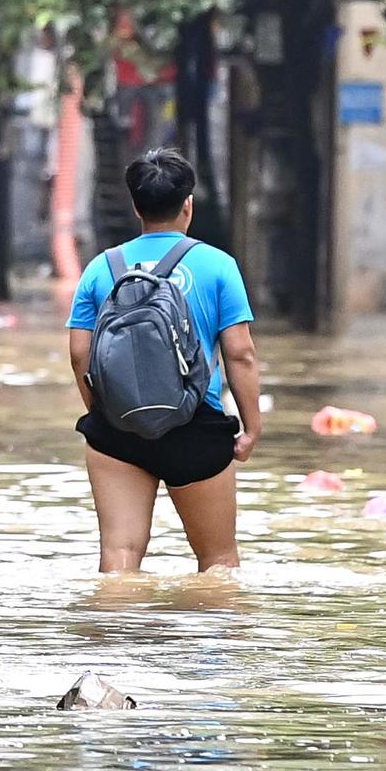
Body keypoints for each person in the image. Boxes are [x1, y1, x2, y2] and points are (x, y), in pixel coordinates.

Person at [66, 148, 263, 573]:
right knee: (219, 563)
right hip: (196, 428)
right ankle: (209, 641)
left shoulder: (101, 268)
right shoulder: (218, 266)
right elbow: (240, 354)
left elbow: (79, 353)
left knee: (119, 560)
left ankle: (118, 638)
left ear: (136, 206)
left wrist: (105, 414)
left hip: (118, 429)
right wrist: (251, 427)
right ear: (188, 204)